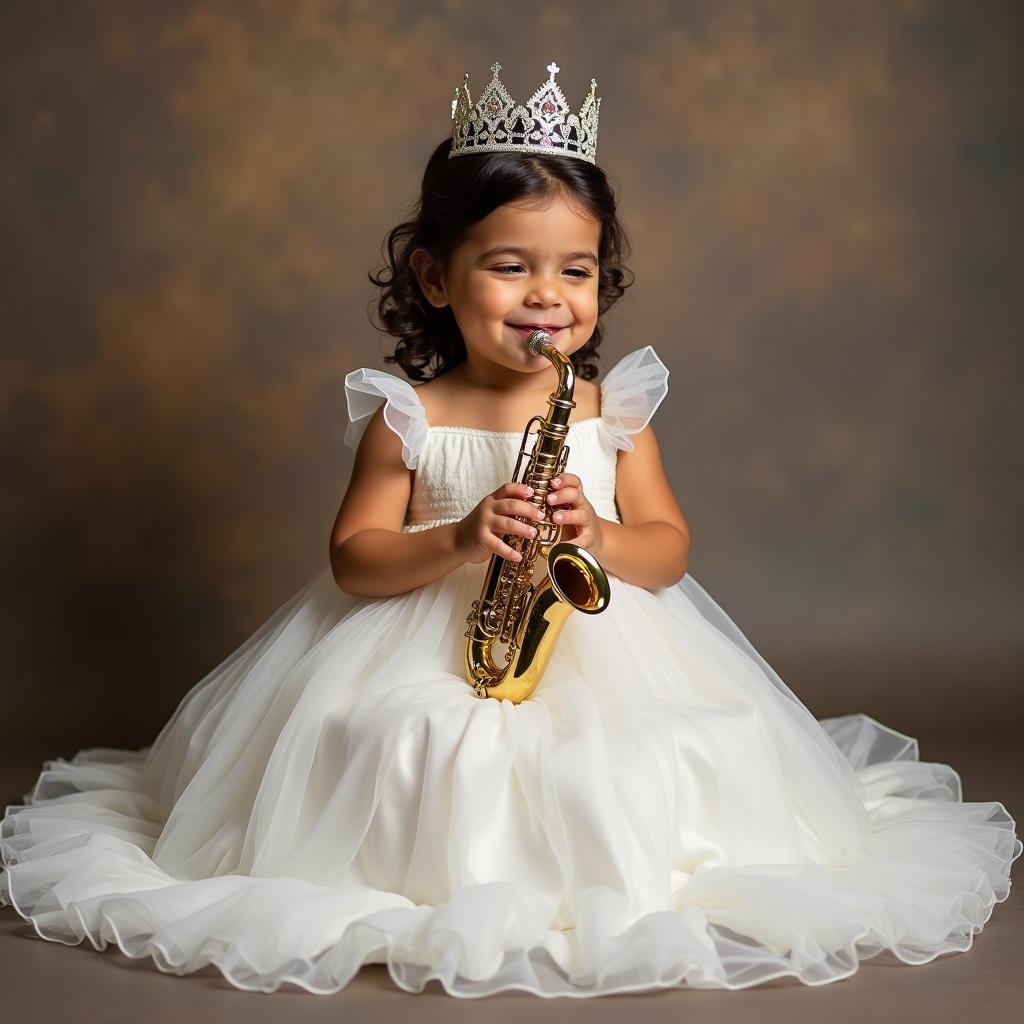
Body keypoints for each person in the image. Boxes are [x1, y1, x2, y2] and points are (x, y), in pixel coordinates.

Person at [0, 60, 1018, 1000]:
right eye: (510, 266)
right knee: (394, 746)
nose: (547, 296)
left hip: (603, 651)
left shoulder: (610, 413)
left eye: (575, 271)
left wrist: (601, 534)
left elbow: (668, 546)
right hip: (411, 645)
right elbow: (351, 559)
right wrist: (454, 538)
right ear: (437, 278)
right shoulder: (411, 414)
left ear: (599, 285)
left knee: (655, 755)